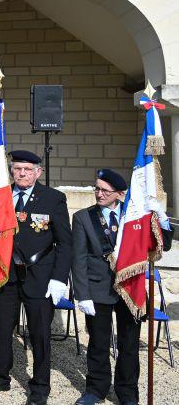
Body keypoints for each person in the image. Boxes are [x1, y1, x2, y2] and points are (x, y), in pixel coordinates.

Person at [71, 169, 172, 405]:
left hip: (131, 288)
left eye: (105, 190)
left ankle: (127, 393)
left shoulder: (135, 217)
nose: (99, 194)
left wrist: (161, 218)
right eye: (96, 188)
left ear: (120, 194)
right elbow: (79, 259)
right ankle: (95, 389)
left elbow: (162, 245)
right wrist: (82, 294)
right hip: (98, 289)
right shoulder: (83, 217)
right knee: (98, 342)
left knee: (129, 345)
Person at [0, 150, 71, 405]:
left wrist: (59, 278)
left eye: (28, 169)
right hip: (6, 273)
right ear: (12, 170)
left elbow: (64, 243)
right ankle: (0, 377)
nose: (22, 173)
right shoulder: (0, 197)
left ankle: (40, 386)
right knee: (2, 329)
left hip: (40, 276)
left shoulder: (53, 198)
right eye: (18, 169)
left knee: (39, 334)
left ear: (38, 172)